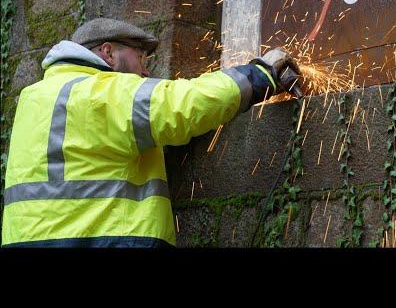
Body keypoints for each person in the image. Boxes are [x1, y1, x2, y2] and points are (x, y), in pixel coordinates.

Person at [1, 17, 300, 247]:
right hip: (103, 239)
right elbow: (183, 105)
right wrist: (261, 74)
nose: (145, 72)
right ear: (108, 53)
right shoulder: (102, 92)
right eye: (141, 58)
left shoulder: (33, 98)